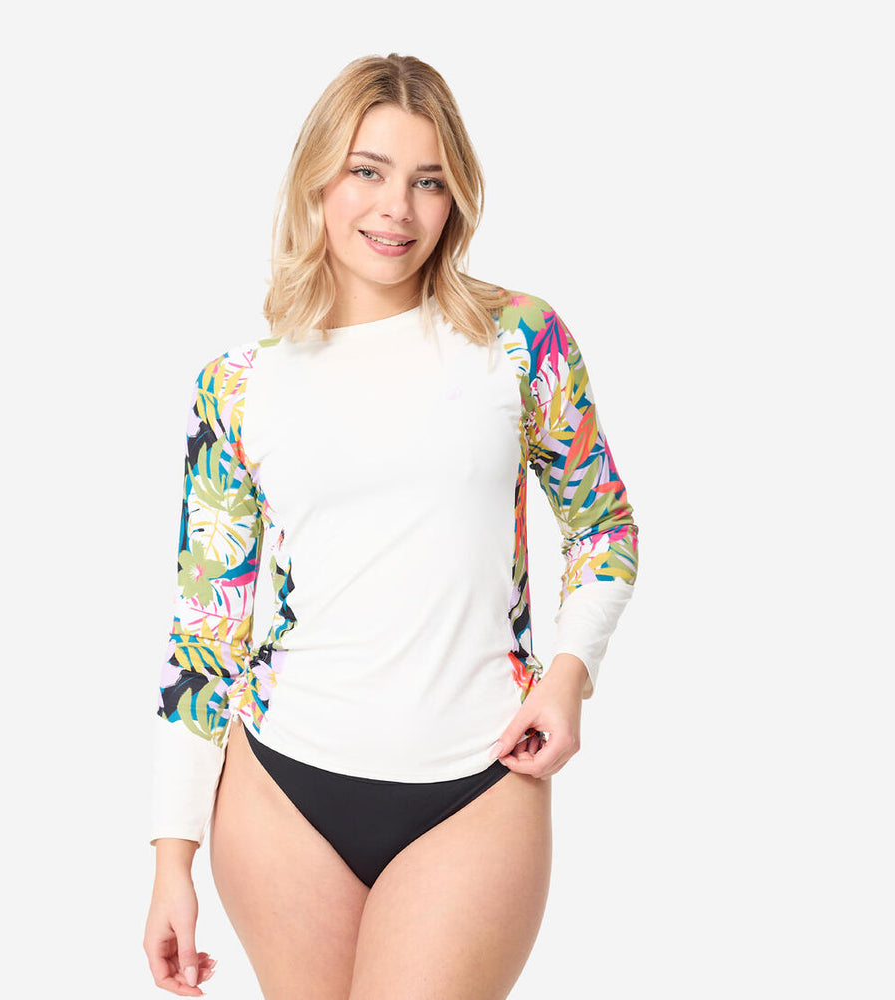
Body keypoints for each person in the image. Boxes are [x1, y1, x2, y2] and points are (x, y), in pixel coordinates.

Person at [143, 52, 639, 999]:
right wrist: (173, 858)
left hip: (479, 781)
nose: (396, 209)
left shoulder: (517, 340)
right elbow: (205, 628)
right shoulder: (238, 386)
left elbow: (604, 528)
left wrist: (569, 677)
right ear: (317, 178)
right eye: (367, 171)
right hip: (282, 787)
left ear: (456, 198)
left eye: (428, 181)